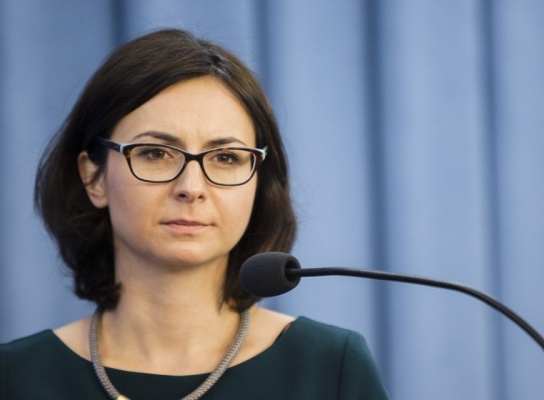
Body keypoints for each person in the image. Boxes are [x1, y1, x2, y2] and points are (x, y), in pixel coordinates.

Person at [0, 28, 388, 399]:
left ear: (259, 181)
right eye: (155, 153)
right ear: (94, 177)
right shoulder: (15, 375)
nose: (192, 187)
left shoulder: (330, 366)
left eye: (226, 157)